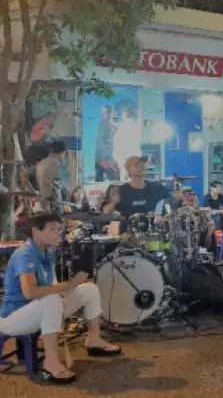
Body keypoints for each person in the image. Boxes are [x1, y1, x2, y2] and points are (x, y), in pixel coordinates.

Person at [0, 212, 121, 384]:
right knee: (52, 300)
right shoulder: (24, 254)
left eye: (59, 229)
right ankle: (51, 360)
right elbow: (30, 293)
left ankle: (94, 339)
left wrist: (68, 288)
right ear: (36, 231)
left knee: (89, 289)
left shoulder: (47, 252)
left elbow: (52, 286)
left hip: (36, 310)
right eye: (52, 229)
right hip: (13, 318)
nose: (58, 233)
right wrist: (70, 284)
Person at [115, 156, 183, 221]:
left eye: (143, 164)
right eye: (137, 165)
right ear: (127, 169)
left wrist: (182, 197)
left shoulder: (156, 188)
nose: (141, 167)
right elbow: (109, 211)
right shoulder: (120, 191)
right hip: (127, 230)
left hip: (152, 230)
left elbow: (176, 197)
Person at [36, 141, 68, 211]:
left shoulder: (40, 163)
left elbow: (40, 183)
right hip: (53, 203)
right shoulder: (55, 162)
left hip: (43, 200)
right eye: (64, 154)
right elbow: (50, 184)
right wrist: (54, 204)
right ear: (62, 152)